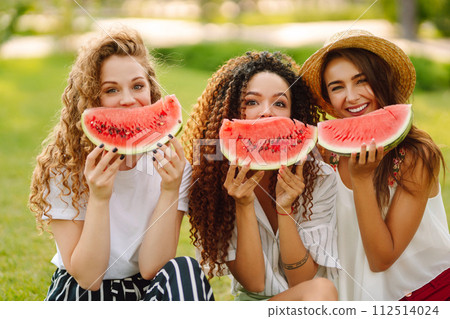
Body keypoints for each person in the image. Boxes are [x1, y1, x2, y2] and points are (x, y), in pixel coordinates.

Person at [28, 27, 214, 301]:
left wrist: (170, 190)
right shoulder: (64, 167)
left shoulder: (172, 167)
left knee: (185, 269)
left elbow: (153, 267)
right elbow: (88, 278)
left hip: (144, 288)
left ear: (152, 90)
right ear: (92, 99)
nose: (128, 99)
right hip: (80, 290)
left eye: (138, 86)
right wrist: (99, 199)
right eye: (111, 89)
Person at [301, 29, 450, 301]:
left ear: (382, 81)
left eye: (362, 81)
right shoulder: (324, 154)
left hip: (424, 295)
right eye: (337, 87)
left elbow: (382, 259)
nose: (352, 96)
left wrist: (361, 180)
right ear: (328, 99)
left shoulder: (415, 155)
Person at [182, 51, 340, 301]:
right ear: (230, 111)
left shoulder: (320, 177)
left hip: (310, 302)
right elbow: (254, 283)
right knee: (322, 291)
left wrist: (285, 209)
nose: (266, 113)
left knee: (321, 289)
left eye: (279, 103)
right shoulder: (210, 180)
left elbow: (302, 281)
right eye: (251, 102)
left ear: (294, 116)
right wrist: (243, 205)